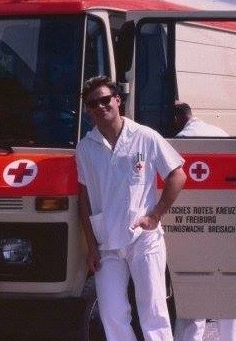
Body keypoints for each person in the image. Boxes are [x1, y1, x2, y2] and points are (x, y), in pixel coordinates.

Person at [76, 76, 187, 341]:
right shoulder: (85, 148)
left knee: (153, 312)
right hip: (107, 245)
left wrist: (155, 215)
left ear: (117, 100)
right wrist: (91, 245)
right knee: (112, 313)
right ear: (88, 110)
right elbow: (84, 197)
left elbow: (177, 174)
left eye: (105, 100)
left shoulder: (145, 136)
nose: (100, 107)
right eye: (93, 104)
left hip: (144, 240)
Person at [172, 101, 228, 341]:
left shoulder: (179, 141)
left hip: (194, 223)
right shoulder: (221, 134)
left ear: (177, 118)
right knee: (224, 293)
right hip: (224, 220)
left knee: (192, 295)